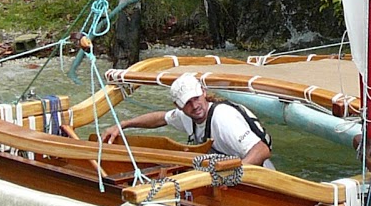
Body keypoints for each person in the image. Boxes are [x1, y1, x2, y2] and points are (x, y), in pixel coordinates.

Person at [101, 72, 274, 169]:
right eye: (188, 103)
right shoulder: (186, 115)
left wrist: (234, 172)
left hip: (260, 174)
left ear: (204, 92)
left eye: (196, 98)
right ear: (178, 105)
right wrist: (123, 125)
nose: (195, 106)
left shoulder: (223, 119)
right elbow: (159, 119)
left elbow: (261, 150)